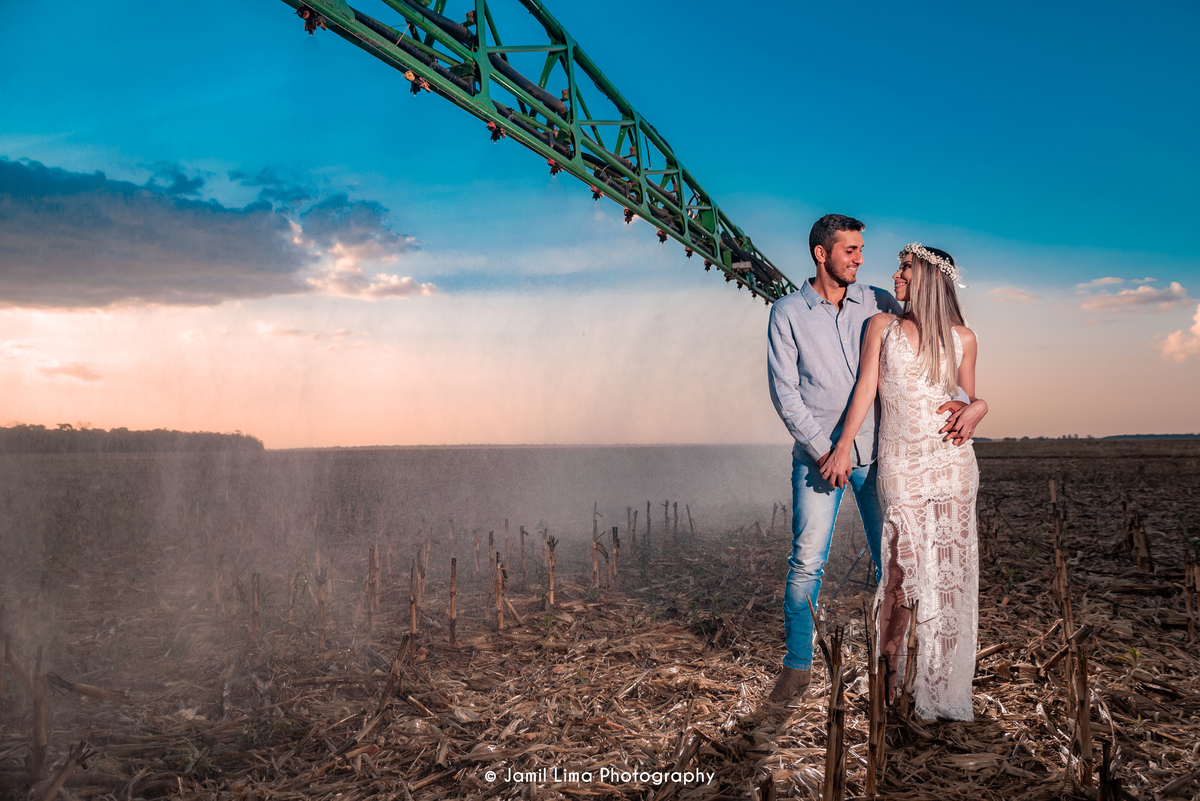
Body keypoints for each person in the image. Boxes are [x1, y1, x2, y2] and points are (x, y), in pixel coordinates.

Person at [765, 216, 986, 704]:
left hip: (882, 456)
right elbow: (785, 393)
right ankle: (797, 667)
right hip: (820, 457)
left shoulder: (879, 302)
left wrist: (978, 404)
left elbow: (934, 365)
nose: (861, 260)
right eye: (851, 251)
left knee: (895, 566)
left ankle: (898, 669)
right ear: (822, 254)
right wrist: (828, 450)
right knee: (806, 562)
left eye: (862, 250)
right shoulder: (787, 313)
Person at [820, 243, 984, 720]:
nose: (896, 275)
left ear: (929, 277)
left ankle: (940, 686)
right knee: (899, 577)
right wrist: (843, 445)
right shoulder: (882, 327)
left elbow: (966, 400)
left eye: (906, 267)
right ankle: (889, 683)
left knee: (949, 578)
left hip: (952, 465)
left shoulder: (964, 338)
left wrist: (980, 406)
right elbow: (864, 390)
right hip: (901, 465)